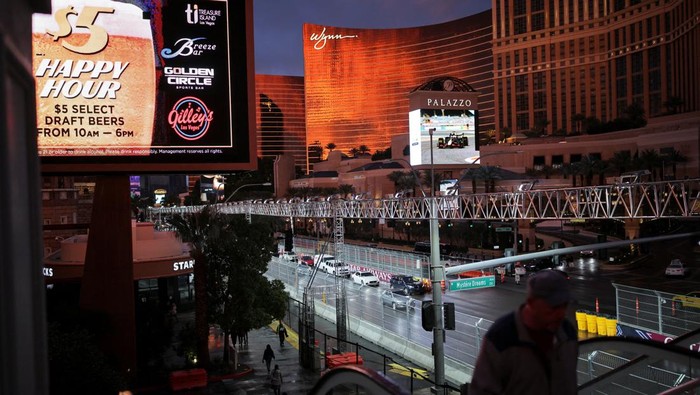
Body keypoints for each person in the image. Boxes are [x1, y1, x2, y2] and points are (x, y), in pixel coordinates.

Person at [467, 270, 578, 395]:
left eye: (564, 305)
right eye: (553, 307)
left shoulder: (567, 333)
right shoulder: (502, 336)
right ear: (530, 303)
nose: (560, 313)